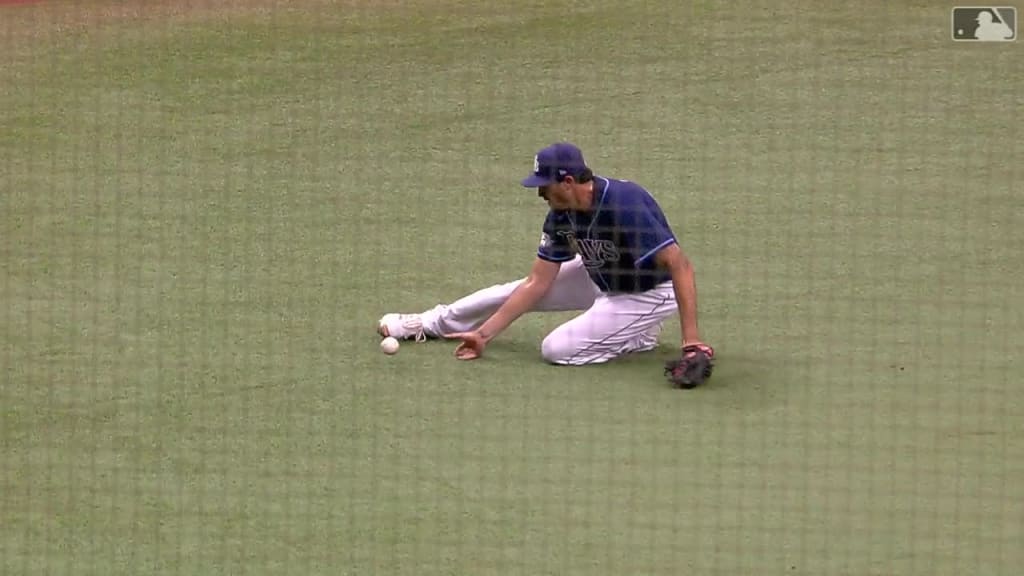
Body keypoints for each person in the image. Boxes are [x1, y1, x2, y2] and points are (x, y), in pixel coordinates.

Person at [377, 142, 714, 369]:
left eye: (544, 184)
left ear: (567, 181)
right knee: (508, 290)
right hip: (602, 276)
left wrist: (692, 341)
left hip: (650, 293)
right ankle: (429, 323)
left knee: (556, 349)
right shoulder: (561, 214)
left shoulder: (623, 202)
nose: (539, 192)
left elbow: (679, 265)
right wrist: (484, 334)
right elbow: (537, 283)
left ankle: (635, 336)